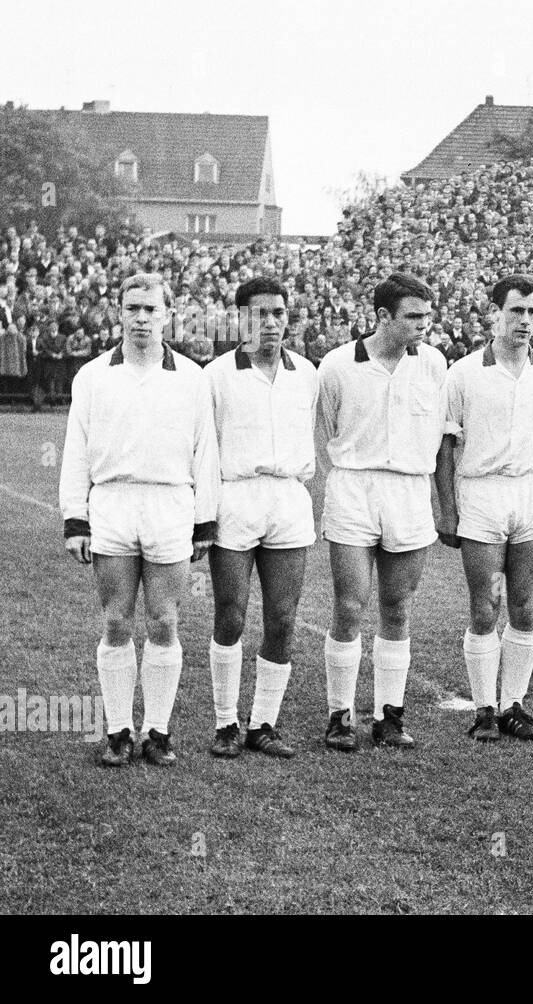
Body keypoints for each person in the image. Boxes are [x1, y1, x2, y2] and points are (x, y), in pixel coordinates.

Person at [59, 273, 220, 767]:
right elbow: (76, 450)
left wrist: (204, 522)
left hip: (170, 505)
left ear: (167, 314)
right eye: (133, 309)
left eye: (151, 309)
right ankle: (117, 730)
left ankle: (158, 730)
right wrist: (75, 519)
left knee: (165, 620)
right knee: (115, 620)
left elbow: (205, 452)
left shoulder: (192, 377)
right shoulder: (92, 376)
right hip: (112, 504)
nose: (142, 318)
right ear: (119, 313)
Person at [316, 272, 447, 751]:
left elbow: (437, 431)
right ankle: (340, 715)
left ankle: (390, 717)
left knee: (397, 606)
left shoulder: (433, 364)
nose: (423, 326)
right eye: (413, 317)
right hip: (354, 487)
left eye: (427, 316)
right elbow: (324, 429)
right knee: (349, 605)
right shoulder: (337, 365)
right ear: (382, 317)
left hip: (410, 491)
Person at [435, 275, 533, 742]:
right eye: (516, 311)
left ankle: (514, 704)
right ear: (494, 314)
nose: (525, 321)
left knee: (525, 606)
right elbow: (445, 447)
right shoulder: (465, 372)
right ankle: (484, 708)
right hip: (483, 495)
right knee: (487, 604)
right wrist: (447, 511)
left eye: (532, 312)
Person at [205, 277, 319, 759]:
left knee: (283, 618)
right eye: (259, 314)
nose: (270, 322)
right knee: (231, 613)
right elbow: (204, 450)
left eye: (278, 313)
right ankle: (226, 722)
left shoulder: (306, 372)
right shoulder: (216, 374)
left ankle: (263, 723)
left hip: (289, 498)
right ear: (240, 319)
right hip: (236, 497)